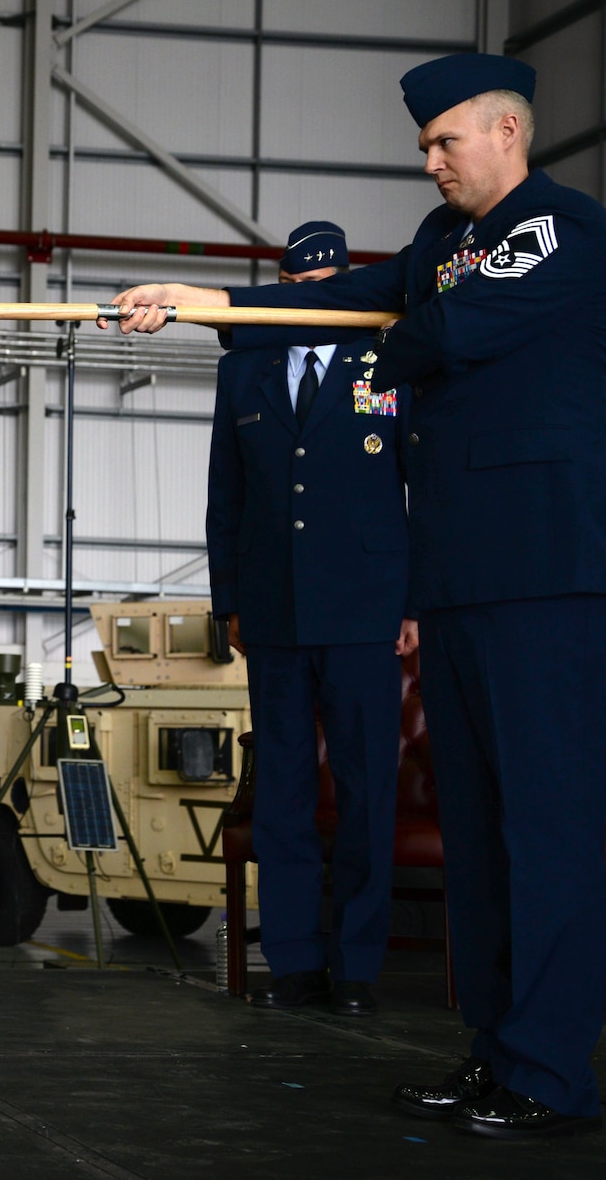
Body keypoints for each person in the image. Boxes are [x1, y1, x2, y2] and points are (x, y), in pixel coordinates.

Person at [107, 54, 606, 1139]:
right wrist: (206, 305)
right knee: (482, 836)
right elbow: (346, 297)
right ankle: (496, 1054)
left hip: (547, 572)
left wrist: (381, 352)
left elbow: (444, 332)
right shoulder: (441, 244)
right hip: (453, 576)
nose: (428, 162)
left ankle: (550, 1078)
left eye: (444, 142)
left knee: (541, 831)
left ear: (503, 132)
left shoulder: (560, 227)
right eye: (423, 147)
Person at [205, 221, 414, 1019]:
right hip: (273, 607)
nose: (310, 303)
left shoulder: (385, 357)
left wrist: (415, 602)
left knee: (366, 790)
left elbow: (415, 482)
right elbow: (226, 496)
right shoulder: (245, 369)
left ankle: (357, 965)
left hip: (366, 607)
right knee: (284, 793)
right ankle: (292, 961)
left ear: (345, 285)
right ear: (281, 290)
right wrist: (228, 599)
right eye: (297, 290)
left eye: (325, 288)